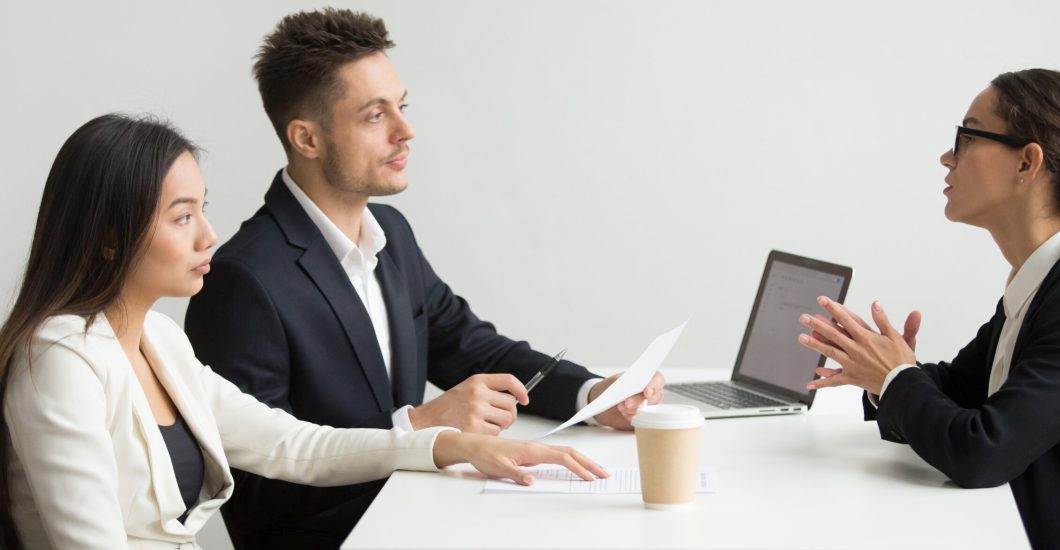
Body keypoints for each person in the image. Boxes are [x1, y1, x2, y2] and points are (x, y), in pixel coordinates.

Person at [0, 114, 608, 550]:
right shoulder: (59, 359)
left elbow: (295, 446)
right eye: (182, 217)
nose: (207, 236)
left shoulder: (160, 341)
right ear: (109, 236)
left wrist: (456, 446)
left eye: (202, 210)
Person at [182, 8, 664, 548]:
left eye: (402, 107)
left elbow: (469, 345)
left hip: (427, 518)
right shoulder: (241, 281)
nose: (405, 131)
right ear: (307, 138)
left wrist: (593, 395)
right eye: (374, 115)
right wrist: (417, 427)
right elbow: (251, 494)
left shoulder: (390, 232)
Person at [797, 69, 1060, 549]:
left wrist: (897, 378)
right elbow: (964, 391)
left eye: (965, 137)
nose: (947, 157)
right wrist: (881, 371)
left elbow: (981, 452)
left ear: (1027, 163)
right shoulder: (1048, 281)